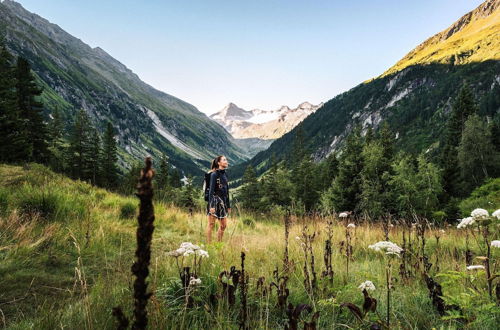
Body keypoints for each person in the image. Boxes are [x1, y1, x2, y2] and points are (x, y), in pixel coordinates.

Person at [206, 155, 231, 243]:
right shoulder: (214, 174)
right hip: (214, 202)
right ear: (219, 163)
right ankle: (209, 245)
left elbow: (226, 191)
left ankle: (218, 244)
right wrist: (211, 206)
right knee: (211, 224)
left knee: (224, 225)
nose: (226, 161)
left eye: (226, 160)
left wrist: (228, 205)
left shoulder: (225, 174)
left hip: (223, 203)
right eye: (224, 160)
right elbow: (211, 191)